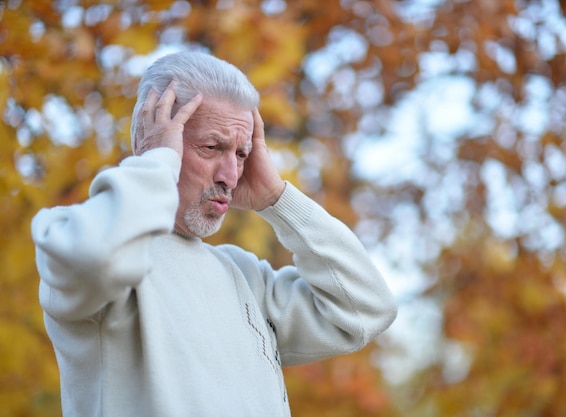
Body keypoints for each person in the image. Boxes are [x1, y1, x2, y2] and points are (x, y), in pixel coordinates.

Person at [31, 50, 397, 417]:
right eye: (211, 147)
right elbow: (91, 257)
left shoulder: (243, 275)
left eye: (241, 153)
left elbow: (365, 309)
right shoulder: (79, 238)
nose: (231, 175)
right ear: (153, 139)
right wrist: (155, 164)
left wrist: (276, 198)